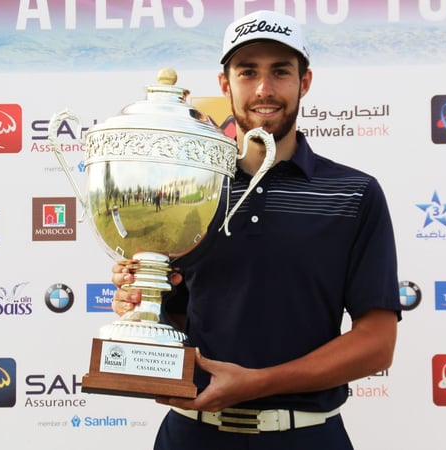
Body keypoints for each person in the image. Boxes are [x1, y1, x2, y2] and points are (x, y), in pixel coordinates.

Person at [111, 9, 402, 450]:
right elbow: (179, 315)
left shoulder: (353, 193)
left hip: (306, 437)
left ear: (304, 82)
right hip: (191, 434)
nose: (264, 89)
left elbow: (377, 343)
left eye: (280, 72)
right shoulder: (186, 190)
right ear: (225, 84)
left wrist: (259, 382)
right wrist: (140, 297)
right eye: (248, 72)